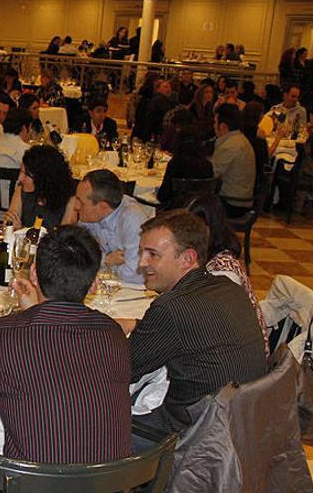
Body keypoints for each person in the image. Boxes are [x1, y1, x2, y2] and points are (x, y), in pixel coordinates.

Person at [0, 225, 131, 493]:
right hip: (108, 485)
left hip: (34, 485)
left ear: (34, 273)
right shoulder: (112, 334)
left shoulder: (1, 333)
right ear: (93, 283)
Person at [120, 210, 267, 433]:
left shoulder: (171, 308)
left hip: (193, 435)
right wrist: (137, 325)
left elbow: (121, 371)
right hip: (242, 422)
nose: (142, 263)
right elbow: (195, 333)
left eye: (153, 254)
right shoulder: (227, 288)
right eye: (141, 252)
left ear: (187, 259)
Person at [182, 194, 268, 352]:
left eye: (195, 228)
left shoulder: (223, 271)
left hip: (239, 356)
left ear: (211, 227)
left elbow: (211, 324)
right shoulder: (211, 257)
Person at [68, 169, 154, 285]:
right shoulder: (89, 215)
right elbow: (76, 254)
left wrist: (103, 265)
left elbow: (137, 274)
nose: (76, 207)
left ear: (102, 207)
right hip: (108, 284)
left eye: (81, 202)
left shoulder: (132, 219)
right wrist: (107, 260)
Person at [5, 145, 76, 230]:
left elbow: (63, 239)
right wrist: (10, 226)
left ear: (43, 179)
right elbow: (10, 226)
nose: (20, 178)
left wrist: (22, 230)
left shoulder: (70, 200)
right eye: (21, 171)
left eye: (27, 174)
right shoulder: (21, 190)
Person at [209, 104, 255, 217]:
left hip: (233, 203)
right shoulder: (240, 139)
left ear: (223, 126)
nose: (213, 126)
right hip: (243, 198)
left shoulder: (229, 145)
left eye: (215, 122)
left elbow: (212, 174)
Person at [156, 127, 214, 206]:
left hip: (175, 210)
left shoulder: (175, 164)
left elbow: (163, 196)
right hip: (199, 209)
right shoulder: (207, 165)